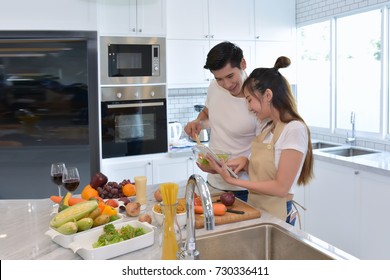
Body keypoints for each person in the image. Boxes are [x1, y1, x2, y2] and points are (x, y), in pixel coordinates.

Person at [206, 56, 314, 226]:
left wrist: (232, 181)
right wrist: (245, 163)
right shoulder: (268, 128)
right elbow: (268, 172)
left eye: (249, 100)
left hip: (277, 215)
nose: (249, 107)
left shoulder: (294, 129)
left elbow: (281, 187)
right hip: (259, 210)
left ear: (268, 95)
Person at [184, 41, 263, 202]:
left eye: (230, 76)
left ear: (243, 63)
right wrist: (198, 122)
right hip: (213, 184)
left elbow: (266, 153)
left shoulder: (258, 100)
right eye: (219, 78)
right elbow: (209, 112)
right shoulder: (214, 87)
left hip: (244, 188)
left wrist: (229, 168)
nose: (226, 85)